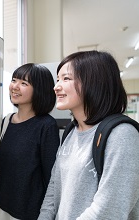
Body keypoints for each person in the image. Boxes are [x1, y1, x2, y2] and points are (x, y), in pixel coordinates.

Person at [38, 50, 139, 220]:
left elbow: (108, 210)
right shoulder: (71, 131)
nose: (56, 87)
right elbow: (54, 189)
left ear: (94, 82)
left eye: (66, 78)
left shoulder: (122, 135)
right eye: (57, 80)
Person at [0, 63, 60, 220]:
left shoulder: (46, 125)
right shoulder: (7, 120)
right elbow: (13, 157)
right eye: (14, 80)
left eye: (24, 83)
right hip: (2, 205)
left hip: (29, 212)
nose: (15, 86)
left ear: (39, 89)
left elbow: (51, 177)